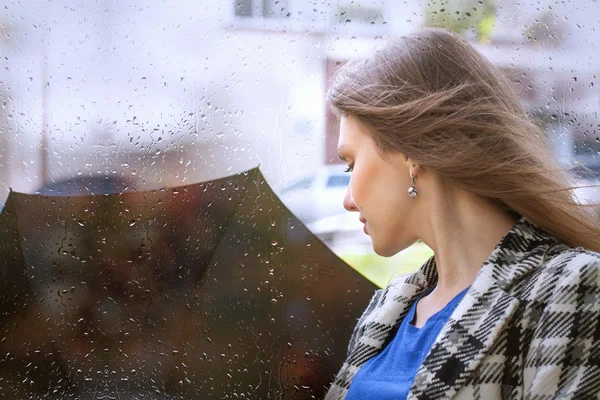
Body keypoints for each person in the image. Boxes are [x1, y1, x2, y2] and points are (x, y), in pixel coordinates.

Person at [325, 27, 600, 400]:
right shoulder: (387, 310)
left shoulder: (572, 287)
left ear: (412, 152)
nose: (348, 200)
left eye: (351, 164)